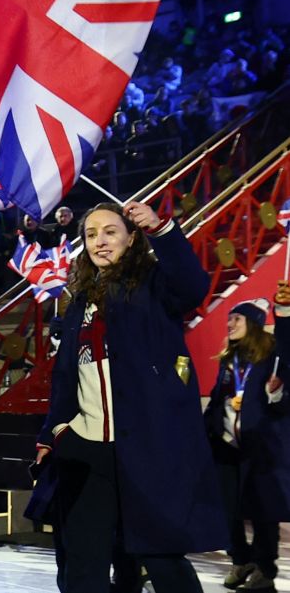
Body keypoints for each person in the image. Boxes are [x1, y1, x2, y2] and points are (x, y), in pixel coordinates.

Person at [35, 201, 226, 593]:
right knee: (82, 567)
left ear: (132, 237)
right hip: (87, 449)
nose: (99, 242)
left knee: (161, 558)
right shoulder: (80, 302)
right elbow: (66, 377)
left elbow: (192, 285)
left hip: (146, 447)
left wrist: (162, 229)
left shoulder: (153, 282)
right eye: (90, 234)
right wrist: (51, 433)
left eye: (110, 232)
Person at [204, 288, 290, 591]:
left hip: (261, 448)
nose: (229, 324)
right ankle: (241, 560)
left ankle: (265, 569)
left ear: (252, 322)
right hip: (228, 448)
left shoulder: (272, 358)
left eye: (236, 318)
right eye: (229, 319)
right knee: (226, 509)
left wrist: (283, 314)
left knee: (263, 512)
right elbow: (218, 400)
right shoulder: (231, 359)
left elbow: (288, 354)